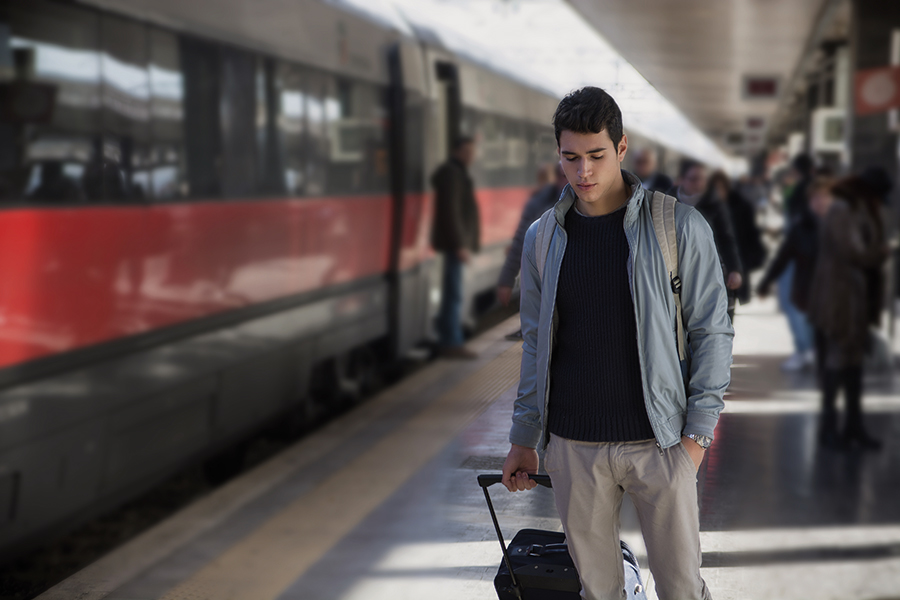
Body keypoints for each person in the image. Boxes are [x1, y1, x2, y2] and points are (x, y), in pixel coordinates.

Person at [501, 86, 733, 600]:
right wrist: (525, 436)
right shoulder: (544, 237)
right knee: (597, 591)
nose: (583, 172)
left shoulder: (678, 227)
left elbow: (711, 333)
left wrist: (696, 438)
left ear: (622, 149)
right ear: (558, 155)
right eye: (571, 158)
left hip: (661, 443)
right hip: (573, 445)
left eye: (596, 156)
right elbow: (537, 344)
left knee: (680, 590)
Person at [807, 174, 890, 450]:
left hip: (848, 298)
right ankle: (831, 430)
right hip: (839, 300)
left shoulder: (846, 211)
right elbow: (852, 252)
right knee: (838, 361)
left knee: (851, 364)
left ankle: (852, 427)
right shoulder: (842, 212)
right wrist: (880, 252)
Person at [756, 178, 822, 371]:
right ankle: (806, 352)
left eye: (824, 198)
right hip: (806, 285)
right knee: (801, 319)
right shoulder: (801, 228)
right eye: (816, 199)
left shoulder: (839, 224)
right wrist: (765, 283)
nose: (820, 203)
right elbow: (783, 256)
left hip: (831, 289)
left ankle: (812, 354)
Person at [671, 160, 744, 321]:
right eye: (694, 178)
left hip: (709, 271)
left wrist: (734, 269)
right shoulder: (666, 202)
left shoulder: (714, 203)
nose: (699, 183)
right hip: (675, 273)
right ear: (682, 179)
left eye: (702, 178)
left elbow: (726, 238)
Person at [430, 137, 480, 359]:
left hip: (455, 243)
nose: (471, 156)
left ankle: (449, 337)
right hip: (454, 244)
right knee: (454, 292)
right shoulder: (452, 174)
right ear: (456, 151)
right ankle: (451, 342)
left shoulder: (456, 172)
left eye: (473, 152)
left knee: (454, 291)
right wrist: (460, 244)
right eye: (467, 151)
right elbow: (451, 212)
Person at [496, 163, 567, 313]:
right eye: (564, 176)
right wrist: (506, 279)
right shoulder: (539, 203)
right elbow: (521, 240)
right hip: (546, 282)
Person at [710, 170, 766, 306]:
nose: (717, 193)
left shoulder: (741, 207)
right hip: (711, 270)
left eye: (720, 188)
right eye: (714, 189)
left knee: (727, 313)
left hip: (732, 270)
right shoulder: (707, 209)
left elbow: (752, 238)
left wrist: (745, 265)